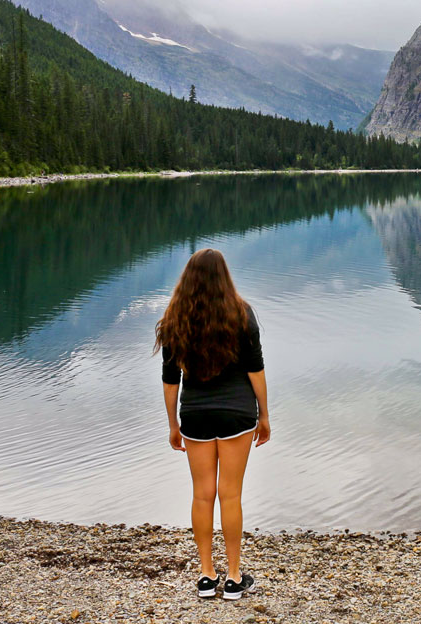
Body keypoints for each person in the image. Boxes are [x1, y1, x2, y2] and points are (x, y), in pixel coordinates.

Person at [155, 248, 270, 601]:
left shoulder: (175, 317)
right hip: (237, 415)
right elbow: (255, 370)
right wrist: (264, 415)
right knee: (230, 495)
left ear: (187, 279)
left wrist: (173, 424)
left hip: (195, 416)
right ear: (225, 276)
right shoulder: (241, 314)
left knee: (202, 495)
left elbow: (170, 379)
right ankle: (234, 577)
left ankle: (206, 576)